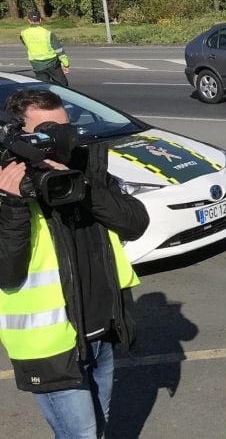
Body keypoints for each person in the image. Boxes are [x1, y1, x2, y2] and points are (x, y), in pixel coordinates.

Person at [0, 89, 148, 437]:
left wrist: (83, 184)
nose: (63, 137)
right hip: (51, 347)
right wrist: (13, 205)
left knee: (99, 424)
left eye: (65, 127)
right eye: (48, 131)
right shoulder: (7, 187)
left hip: (101, 331)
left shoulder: (84, 166)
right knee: (80, 435)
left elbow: (134, 223)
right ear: (19, 136)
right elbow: (7, 274)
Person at [19, 12, 70, 87]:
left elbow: (25, 43)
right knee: (62, 86)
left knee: (43, 87)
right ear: (40, 20)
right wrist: (66, 64)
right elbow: (58, 49)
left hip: (37, 64)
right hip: (52, 63)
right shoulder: (48, 33)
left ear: (29, 20)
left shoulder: (23, 33)